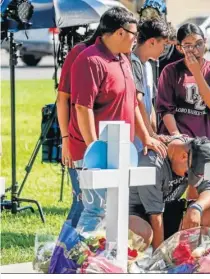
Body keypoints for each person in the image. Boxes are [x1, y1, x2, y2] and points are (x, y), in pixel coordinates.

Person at [68, 7, 167, 231]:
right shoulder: (90, 60)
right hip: (95, 152)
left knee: (115, 210)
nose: (136, 39)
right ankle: (79, 262)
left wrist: (146, 136)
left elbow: (131, 103)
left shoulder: (123, 59)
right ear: (120, 33)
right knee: (95, 210)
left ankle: (105, 261)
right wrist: (95, 149)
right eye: (134, 34)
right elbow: (83, 108)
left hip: (121, 150)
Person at [129, 136, 210, 250]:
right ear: (184, 156)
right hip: (140, 213)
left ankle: (187, 256)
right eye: (187, 174)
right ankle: (131, 261)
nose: (188, 179)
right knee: (142, 232)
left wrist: (196, 208)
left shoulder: (195, 153)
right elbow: (155, 217)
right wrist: (160, 258)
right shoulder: (153, 163)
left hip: (168, 209)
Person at [56, 26, 102, 228]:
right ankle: (62, 253)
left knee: (97, 206)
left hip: (106, 143)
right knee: (83, 203)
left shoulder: (120, 57)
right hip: (80, 143)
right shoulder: (80, 53)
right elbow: (62, 99)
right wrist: (65, 139)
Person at [156, 23, 210, 143]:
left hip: (204, 139)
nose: (195, 50)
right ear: (179, 48)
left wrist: (196, 72)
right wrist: (176, 136)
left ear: (205, 42)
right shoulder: (170, 71)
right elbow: (166, 110)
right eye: (188, 46)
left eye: (199, 44)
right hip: (177, 139)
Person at [131, 17, 170, 152]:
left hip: (146, 138)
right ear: (152, 42)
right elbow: (138, 101)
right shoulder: (132, 62)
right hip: (135, 140)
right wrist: (149, 135)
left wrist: (154, 132)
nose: (164, 49)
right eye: (164, 45)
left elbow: (149, 102)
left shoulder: (148, 65)